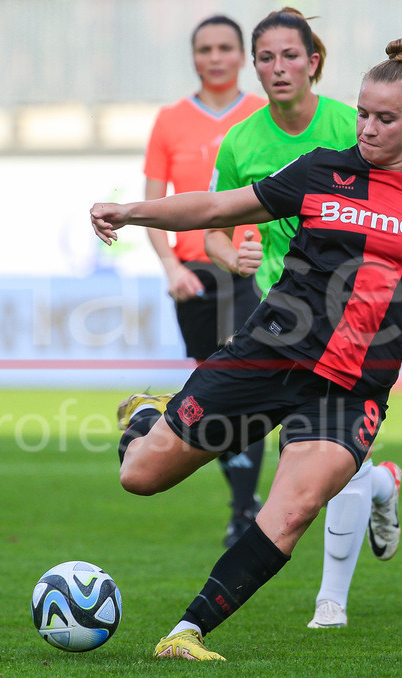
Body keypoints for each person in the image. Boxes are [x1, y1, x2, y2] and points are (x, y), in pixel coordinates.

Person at [91, 36, 402, 662]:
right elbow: (218, 206)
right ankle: (151, 419)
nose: (367, 127)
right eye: (363, 113)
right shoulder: (320, 171)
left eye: (385, 118)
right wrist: (133, 211)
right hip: (270, 352)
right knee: (139, 476)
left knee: (292, 510)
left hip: (351, 388)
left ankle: (187, 632)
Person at [202, 6, 400, 630]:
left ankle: (330, 605)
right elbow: (216, 226)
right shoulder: (241, 142)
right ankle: (382, 485)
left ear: (314, 62)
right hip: (280, 322)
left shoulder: (354, 124)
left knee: (325, 460)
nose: (278, 67)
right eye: (266, 57)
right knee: (319, 461)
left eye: (291, 55)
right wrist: (232, 254)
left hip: (356, 320)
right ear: (253, 66)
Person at [137, 15, 267, 548]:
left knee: (244, 383)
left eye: (225, 48)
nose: (215, 57)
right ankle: (242, 503)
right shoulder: (170, 121)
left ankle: (241, 510)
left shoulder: (262, 115)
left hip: (248, 272)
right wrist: (171, 268)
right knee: (213, 391)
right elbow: (153, 202)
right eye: (205, 48)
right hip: (193, 276)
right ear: (194, 57)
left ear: (242, 57)